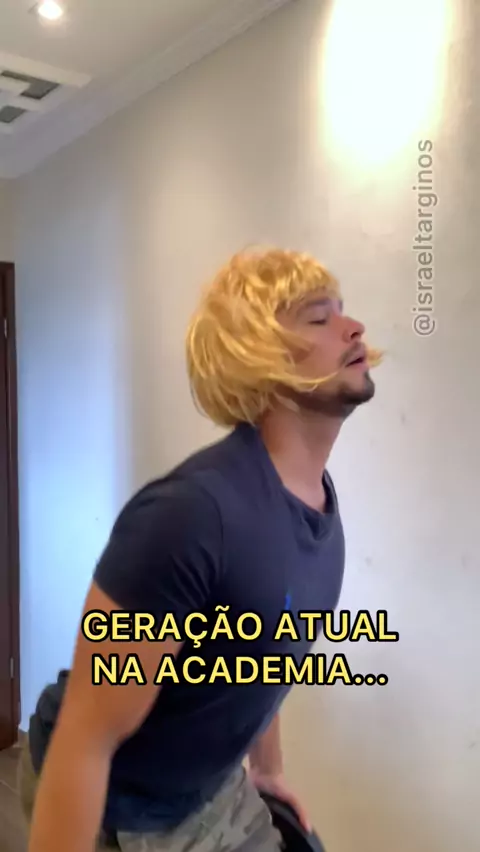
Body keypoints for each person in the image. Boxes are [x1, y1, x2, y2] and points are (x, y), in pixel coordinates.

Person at [21, 247, 381, 852]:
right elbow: (84, 741)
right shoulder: (192, 516)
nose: (354, 328)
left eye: (342, 312)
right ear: (261, 358)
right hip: (116, 798)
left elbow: (264, 648)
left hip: (209, 782)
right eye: (320, 318)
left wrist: (267, 770)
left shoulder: (317, 507)